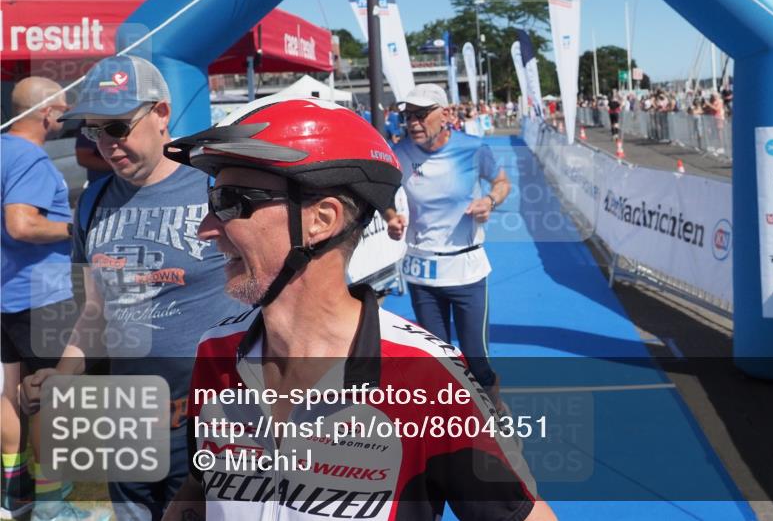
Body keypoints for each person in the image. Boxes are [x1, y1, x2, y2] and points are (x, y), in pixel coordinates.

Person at [158, 95, 553, 521]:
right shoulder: (215, 350)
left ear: (321, 220)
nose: (205, 228)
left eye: (231, 202)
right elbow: (200, 486)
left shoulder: (428, 376)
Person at [21, 56, 243, 521]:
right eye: (94, 131)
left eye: (118, 126)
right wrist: (63, 374)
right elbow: (94, 312)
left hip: (215, 417)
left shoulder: (217, 188)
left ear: (162, 114)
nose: (106, 144)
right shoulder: (92, 204)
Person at [386, 85, 511, 405]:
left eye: (421, 114)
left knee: (476, 359)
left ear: (445, 114)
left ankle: (495, 411)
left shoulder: (473, 148)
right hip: (422, 272)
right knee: (436, 360)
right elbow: (385, 196)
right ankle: (448, 424)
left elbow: (502, 182)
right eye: (407, 115)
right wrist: (391, 216)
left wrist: (490, 201)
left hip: (466, 271)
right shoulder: (399, 153)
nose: (413, 122)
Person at [1, 77, 85, 521]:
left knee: (10, 395)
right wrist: (77, 229)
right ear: (47, 112)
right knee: (53, 396)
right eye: (63, 108)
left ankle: (14, 495)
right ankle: (54, 505)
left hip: (8, 296)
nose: (65, 117)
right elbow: (21, 224)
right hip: (40, 296)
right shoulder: (31, 157)